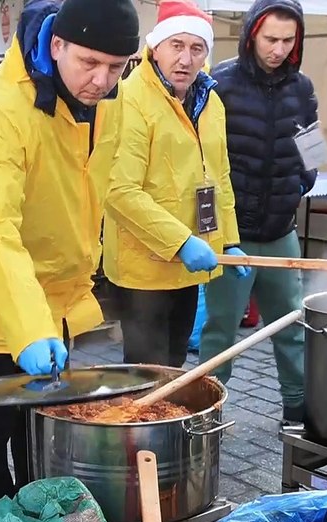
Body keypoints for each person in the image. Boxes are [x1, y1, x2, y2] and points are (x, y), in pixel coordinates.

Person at [0, 0, 139, 504]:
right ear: (57, 44)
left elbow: (99, 185)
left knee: (41, 431)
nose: (101, 80)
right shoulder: (1, 105)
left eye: (116, 67)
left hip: (53, 294)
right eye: (89, 62)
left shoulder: (112, 99)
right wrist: (28, 329)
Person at [104, 0, 247, 368]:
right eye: (176, 46)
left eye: (196, 48)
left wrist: (228, 240)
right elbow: (119, 191)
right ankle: (138, 428)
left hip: (189, 262)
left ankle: (170, 427)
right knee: (145, 371)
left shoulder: (211, 102)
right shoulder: (130, 99)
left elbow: (220, 177)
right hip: (144, 267)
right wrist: (181, 241)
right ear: (156, 47)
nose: (185, 59)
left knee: (174, 363)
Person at [199, 0, 314, 425]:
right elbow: (202, 156)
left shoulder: (301, 88)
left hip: (282, 229)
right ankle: (206, 415)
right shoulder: (219, 83)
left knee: (292, 327)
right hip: (232, 235)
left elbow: (311, 137)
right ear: (251, 35)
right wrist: (212, 229)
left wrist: (309, 172)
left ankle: (298, 412)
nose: (279, 49)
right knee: (220, 331)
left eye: (288, 40)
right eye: (271, 39)